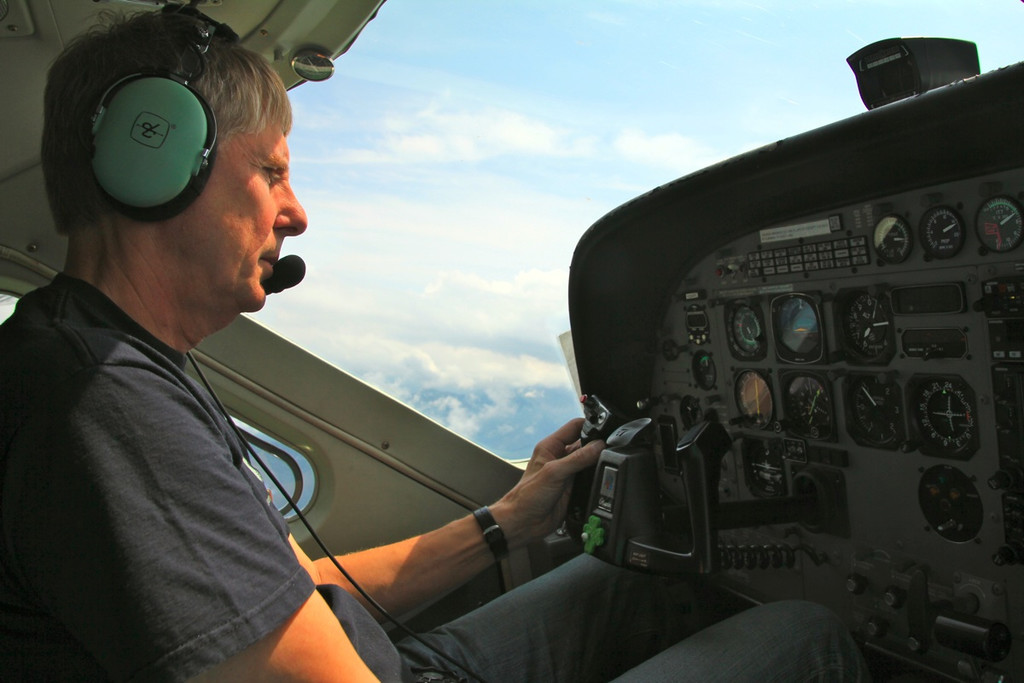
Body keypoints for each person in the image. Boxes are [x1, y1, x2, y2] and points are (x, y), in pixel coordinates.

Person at [0, 6, 870, 682]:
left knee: (656, 581)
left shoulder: (105, 360)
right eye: (270, 171)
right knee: (805, 634)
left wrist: (507, 520)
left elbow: (293, 592)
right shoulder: (101, 403)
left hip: (396, 662)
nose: (296, 212)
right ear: (153, 159)